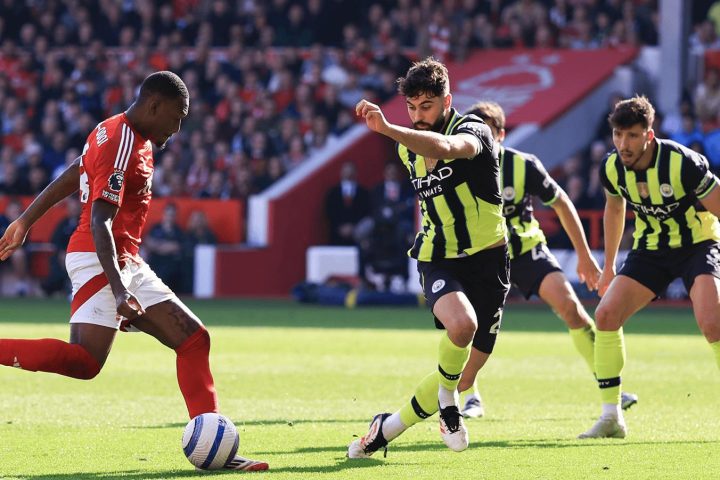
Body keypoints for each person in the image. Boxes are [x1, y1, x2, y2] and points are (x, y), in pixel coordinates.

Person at [0, 71, 268, 471]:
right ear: (155, 105)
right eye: (177, 119)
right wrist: (120, 290)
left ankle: (214, 444)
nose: (176, 130)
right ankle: (213, 444)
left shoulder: (113, 131)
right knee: (94, 361)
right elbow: (100, 223)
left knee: (186, 341)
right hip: (102, 256)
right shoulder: (123, 142)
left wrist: (25, 220)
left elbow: (78, 170)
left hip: (119, 256)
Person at [348, 57, 510, 458]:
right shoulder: (408, 148)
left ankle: (386, 429)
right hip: (439, 255)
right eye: (412, 108)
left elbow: (449, 147)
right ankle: (446, 403)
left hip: (490, 261)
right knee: (461, 326)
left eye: (427, 107)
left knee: (463, 377)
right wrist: (397, 131)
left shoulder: (475, 131)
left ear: (447, 101)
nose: (419, 117)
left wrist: (388, 128)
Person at [457, 101, 637, 418]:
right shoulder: (458, 167)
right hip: (479, 255)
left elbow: (562, 203)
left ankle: (610, 386)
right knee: (465, 326)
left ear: (500, 135)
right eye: (475, 129)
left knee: (572, 309)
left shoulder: (522, 165)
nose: (480, 136)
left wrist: (583, 256)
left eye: (487, 130)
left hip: (526, 251)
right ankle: (468, 395)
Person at [579, 95, 720, 439]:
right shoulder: (611, 167)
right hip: (651, 249)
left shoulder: (684, 162)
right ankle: (611, 416)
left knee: (712, 323)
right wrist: (608, 266)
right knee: (606, 315)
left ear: (649, 135)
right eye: (617, 135)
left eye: (631, 136)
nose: (622, 144)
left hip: (697, 244)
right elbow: (614, 210)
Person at [40, 196, 82, 297]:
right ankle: (65, 286)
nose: (74, 210)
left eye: (76, 208)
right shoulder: (63, 223)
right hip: (63, 256)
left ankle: (74, 287)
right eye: (71, 208)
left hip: (80, 255)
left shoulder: (83, 223)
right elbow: (55, 241)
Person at [324, 161, 371, 246]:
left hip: (358, 234)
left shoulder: (363, 192)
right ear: (341, 173)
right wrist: (340, 227)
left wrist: (353, 227)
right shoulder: (333, 192)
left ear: (355, 173)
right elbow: (330, 212)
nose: (348, 174)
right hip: (337, 234)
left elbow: (366, 211)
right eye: (346, 171)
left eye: (350, 172)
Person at [145, 202, 185, 293]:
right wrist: (164, 246)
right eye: (168, 214)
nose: (170, 217)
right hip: (154, 262)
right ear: (164, 214)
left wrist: (158, 245)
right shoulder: (155, 228)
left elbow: (175, 247)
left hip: (170, 265)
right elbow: (148, 242)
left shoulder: (178, 231)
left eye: (172, 215)